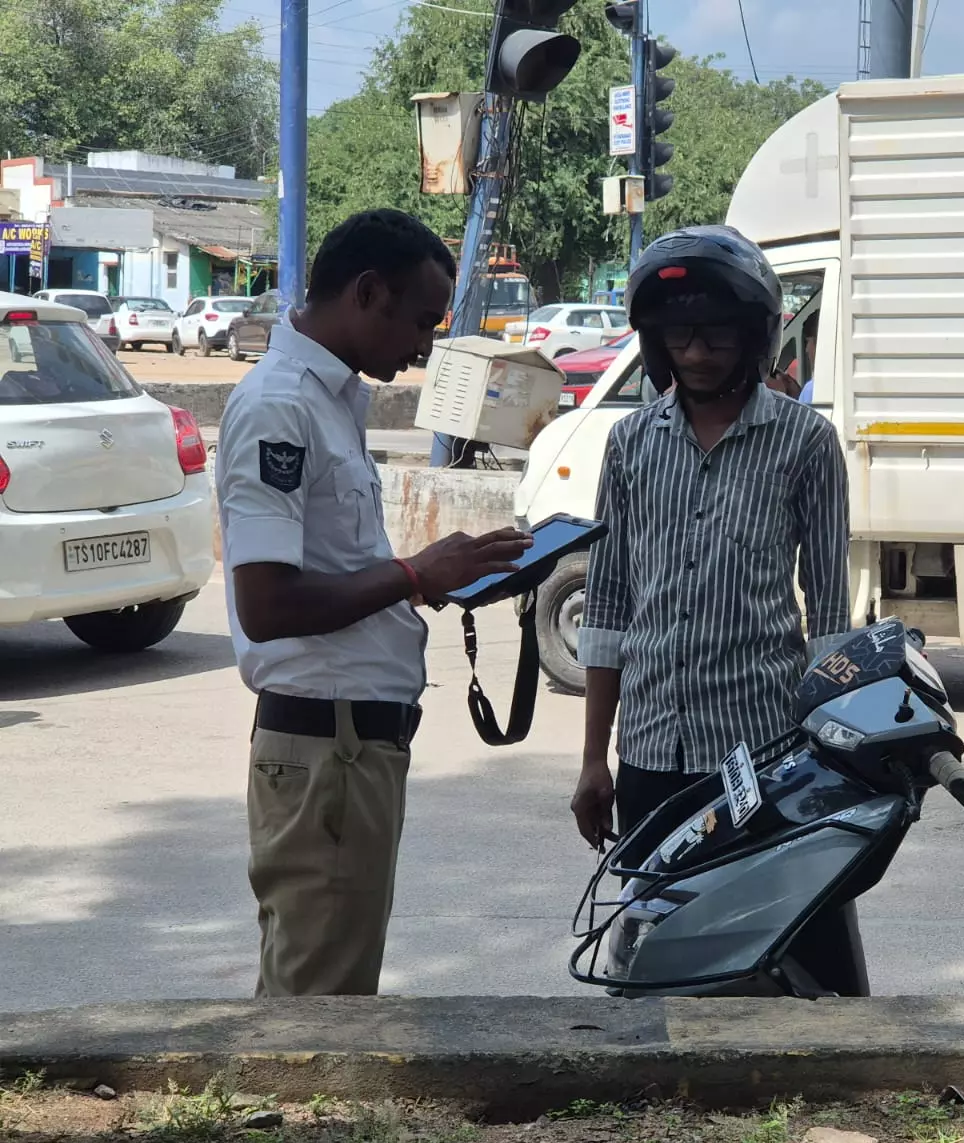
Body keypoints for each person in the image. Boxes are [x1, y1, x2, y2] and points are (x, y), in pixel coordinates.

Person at [215, 208, 532, 997]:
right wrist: (414, 575)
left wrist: (432, 575)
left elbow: (331, 571)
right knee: (316, 1016)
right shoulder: (279, 406)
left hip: (350, 749)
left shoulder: (327, 400)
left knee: (322, 989)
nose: (425, 346)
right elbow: (267, 604)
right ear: (366, 293)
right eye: (421, 320)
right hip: (330, 752)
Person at [570, 225, 851, 846]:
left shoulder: (806, 442)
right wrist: (595, 758)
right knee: (650, 933)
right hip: (647, 752)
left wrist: (833, 748)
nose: (697, 352)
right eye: (680, 335)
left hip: (758, 751)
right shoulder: (629, 445)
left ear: (753, 334)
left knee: (782, 934)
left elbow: (831, 612)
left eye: (716, 333)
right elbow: (609, 607)